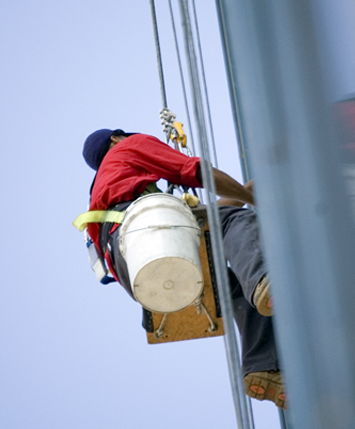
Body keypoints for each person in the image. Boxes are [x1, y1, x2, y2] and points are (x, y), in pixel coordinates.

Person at [80, 129, 285, 408]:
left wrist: (245, 191)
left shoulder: (105, 190)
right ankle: (262, 279)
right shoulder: (128, 147)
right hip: (149, 234)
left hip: (135, 262)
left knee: (230, 283)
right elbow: (197, 172)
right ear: (116, 138)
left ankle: (264, 366)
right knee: (238, 221)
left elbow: (207, 220)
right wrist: (252, 200)